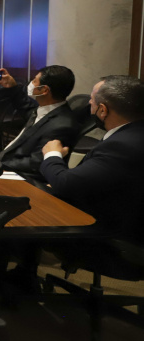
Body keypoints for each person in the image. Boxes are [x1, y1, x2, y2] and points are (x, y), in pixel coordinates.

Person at [40, 75, 144, 242]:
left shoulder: (122, 146)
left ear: (103, 110)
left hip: (113, 234)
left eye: (92, 99)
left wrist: (52, 154)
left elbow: (65, 184)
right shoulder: (131, 134)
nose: (89, 103)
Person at [0, 65, 80, 182]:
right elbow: (25, 106)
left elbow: (35, 163)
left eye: (34, 81)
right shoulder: (46, 108)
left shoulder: (62, 125)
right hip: (8, 165)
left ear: (44, 90)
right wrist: (12, 86)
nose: (30, 83)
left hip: (23, 177)